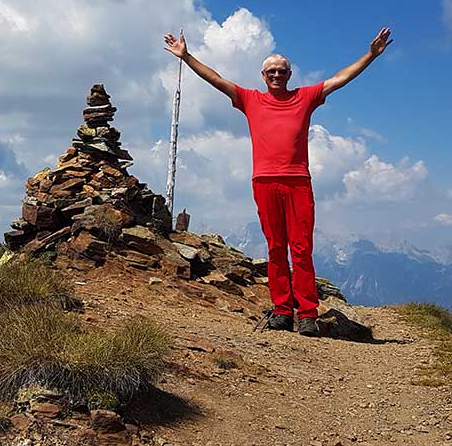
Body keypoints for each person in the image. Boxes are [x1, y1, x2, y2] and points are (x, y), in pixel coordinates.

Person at [163, 27, 393, 336]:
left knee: (301, 249)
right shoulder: (249, 99)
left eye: (281, 71)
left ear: (289, 74)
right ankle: (283, 310)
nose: (276, 75)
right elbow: (216, 79)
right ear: (263, 75)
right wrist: (187, 56)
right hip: (264, 182)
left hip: (298, 182)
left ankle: (308, 314)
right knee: (275, 248)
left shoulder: (305, 97)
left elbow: (340, 79)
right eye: (271, 71)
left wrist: (371, 55)